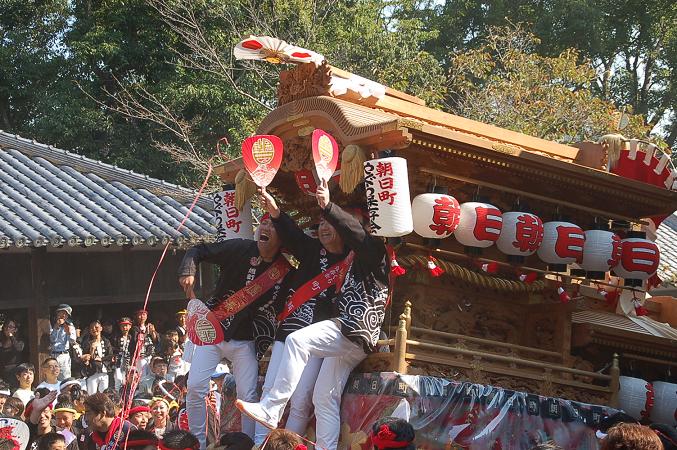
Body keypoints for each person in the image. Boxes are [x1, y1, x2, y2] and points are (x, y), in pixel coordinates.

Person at [237, 179, 390, 450]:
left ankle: (271, 409)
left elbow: (357, 232)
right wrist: (276, 213)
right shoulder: (349, 258)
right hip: (348, 338)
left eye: (343, 223)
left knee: (298, 341)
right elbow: (297, 238)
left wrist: (329, 206)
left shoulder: (374, 251)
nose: (332, 226)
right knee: (323, 397)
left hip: (353, 329)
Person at [252, 187, 357, 446]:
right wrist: (274, 209)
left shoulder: (355, 258)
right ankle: (260, 443)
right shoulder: (310, 250)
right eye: (320, 223)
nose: (323, 228)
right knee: (269, 391)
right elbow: (291, 232)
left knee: (301, 398)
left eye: (330, 223)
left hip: (322, 336)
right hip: (291, 328)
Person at [178, 213, 292, 449]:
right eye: (264, 222)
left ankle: (250, 444)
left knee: (248, 397)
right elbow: (198, 250)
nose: (266, 227)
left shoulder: (284, 271)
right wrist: (188, 270)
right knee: (197, 386)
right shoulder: (239, 248)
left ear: (283, 238)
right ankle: (197, 443)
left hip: (246, 340)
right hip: (213, 331)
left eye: (273, 225)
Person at [79, 321, 113, 394]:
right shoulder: (87, 342)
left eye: (96, 327)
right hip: (92, 372)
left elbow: (110, 355)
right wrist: (91, 349)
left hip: (104, 372)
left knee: (104, 395)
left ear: (101, 328)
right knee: (91, 394)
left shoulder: (106, 341)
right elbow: (85, 357)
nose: (94, 329)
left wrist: (101, 359)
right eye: (91, 328)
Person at [49, 305, 78, 381]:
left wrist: (68, 332)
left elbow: (73, 341)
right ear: (57, 313)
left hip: (63, 355)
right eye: (61, 313)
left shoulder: (70, 326)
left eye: (65, 314)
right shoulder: (52, 324)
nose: (63, 315)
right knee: (52, 379)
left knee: (65, 379)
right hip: (52, 355)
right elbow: (51, 339)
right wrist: (56, 327)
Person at [130, 310, 159, 377]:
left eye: (144, 314)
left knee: (152, 374)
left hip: (151, 355)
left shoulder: (150, 326)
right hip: (141, 356)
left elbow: (156, 340)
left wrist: (152, 332)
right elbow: (137, 339)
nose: (142, 317)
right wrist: (146, 332)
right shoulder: (135, 328)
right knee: (143, 375)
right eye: (140, 315)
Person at [112, 318, 133, 392]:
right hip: (118, 361)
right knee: (118, 378)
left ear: (130, 326)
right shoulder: (116, 337)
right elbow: (113, 348)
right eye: (123, 326)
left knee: (126, 380)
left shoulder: (132, 337)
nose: (125, 328)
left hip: (127, 361)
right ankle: (117, 395)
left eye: (127, 325)